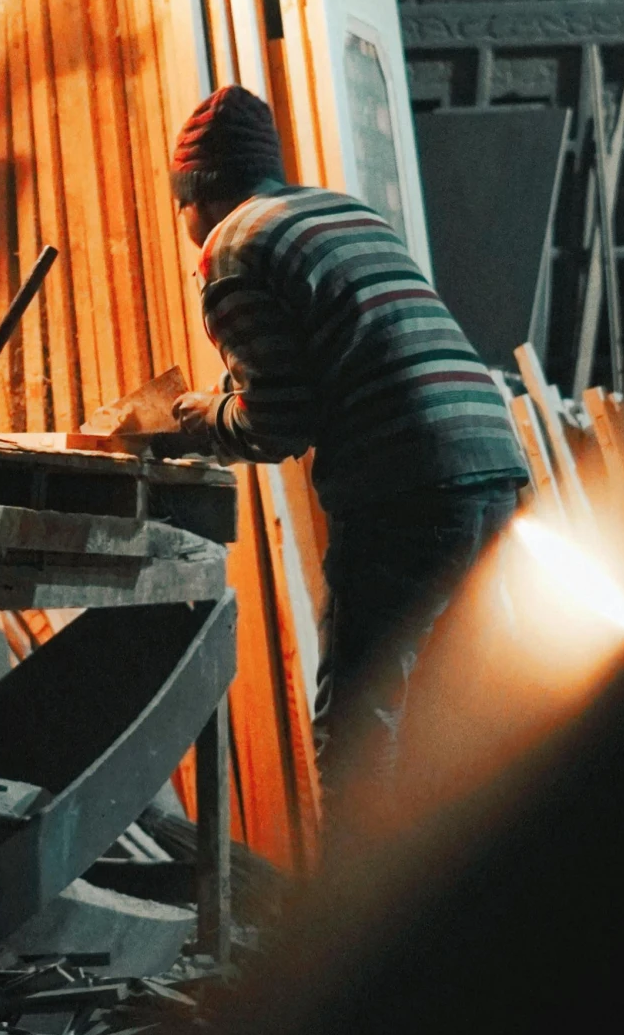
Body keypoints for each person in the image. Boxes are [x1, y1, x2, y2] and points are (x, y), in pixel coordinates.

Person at [163, 85, 528, 790]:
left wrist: (199, 419)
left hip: (409, 488)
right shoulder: (342, 212)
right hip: (493, 464)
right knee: (446, 719)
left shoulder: (231, 251)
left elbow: (278, 424)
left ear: (196, 194)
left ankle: (353, 898)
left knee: (359, 728)